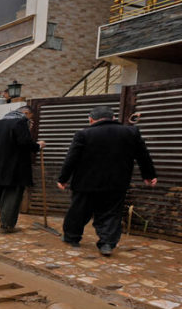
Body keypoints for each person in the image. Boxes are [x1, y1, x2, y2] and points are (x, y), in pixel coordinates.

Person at [57, 106, 156, 256]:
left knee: (78, 211)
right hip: (116, 183)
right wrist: (148, 175)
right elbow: (143, 155)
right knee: (111, 213)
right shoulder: (130, 132)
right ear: (114, 118)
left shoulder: (83, 134)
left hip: (86, 183)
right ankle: (107, 243)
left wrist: (63, 178)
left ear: (91, 119)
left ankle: (72, 237)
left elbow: (71, 159)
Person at [0, 105, 45, 233]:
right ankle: (7, 226)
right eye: (30, 118)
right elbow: (25, 143)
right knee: (12, 196)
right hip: (14, 168)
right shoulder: (20, 122)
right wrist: (38, 146)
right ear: (26, 113)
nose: (30, 121)